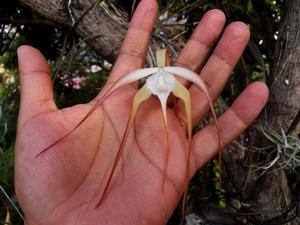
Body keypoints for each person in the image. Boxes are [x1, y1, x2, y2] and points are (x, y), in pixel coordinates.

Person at [14, 0, 269, 224]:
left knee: (187, 108)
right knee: (136, 108)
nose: (163, 58)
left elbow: (199, 83)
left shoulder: (168, 74)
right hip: (156, 80)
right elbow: (123, 86)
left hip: (162, 81)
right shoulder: (152, 74)